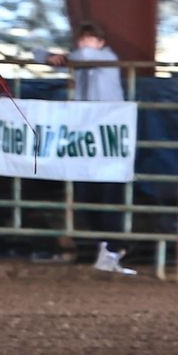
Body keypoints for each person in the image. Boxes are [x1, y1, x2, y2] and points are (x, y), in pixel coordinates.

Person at [45, 21, 134, 275]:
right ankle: (109, 248)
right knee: (89, 194)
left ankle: (113, 247)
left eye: (91, 40)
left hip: (107, 134)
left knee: (108, 192)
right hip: (90, 134)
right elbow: (41, 54)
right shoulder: (83, 61)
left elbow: (82, 56)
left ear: (101, 43)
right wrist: (52, 57)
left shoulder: (105, 58)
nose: (86, 45)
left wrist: (59, 58)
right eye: (83, 40)